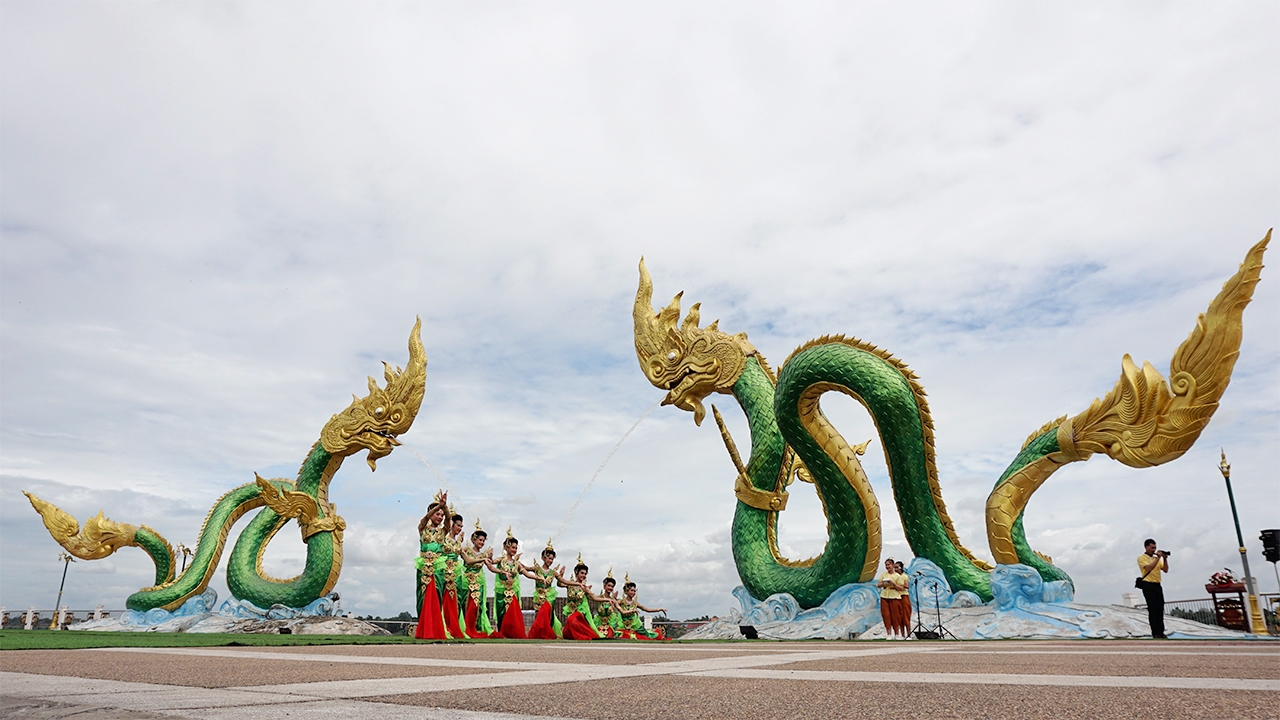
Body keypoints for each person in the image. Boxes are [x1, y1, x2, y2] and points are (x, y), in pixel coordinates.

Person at [521, 539, 579, 639]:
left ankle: (547, 633)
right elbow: (524, 568)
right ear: (543, 558)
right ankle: (538, 634)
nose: (551, 561)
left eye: (552, 559)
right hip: (539, 596)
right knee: (538, 615)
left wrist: (575, 583)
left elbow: (563, 581)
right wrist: (516, 563)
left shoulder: (553, 572)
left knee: (547, 614)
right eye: (549, 558)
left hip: (549, 597)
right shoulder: (537, 569)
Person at [413, 491, 452, 640]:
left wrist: (444, 507)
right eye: (438, 514)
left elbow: (449, 520)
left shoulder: (443, 531)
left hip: (438, 567)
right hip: (424, 566)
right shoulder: (423, 528)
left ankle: (435, 629)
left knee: (437, 596)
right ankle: (423, 629)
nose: (440, 517)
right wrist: (438, 507)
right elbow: (424, 519)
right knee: (422, 597)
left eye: (441, 515)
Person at [460, 519, 496, 638]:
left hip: (479, 582)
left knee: (476, 606)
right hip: (466, 581)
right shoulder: (466, 549)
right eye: (480, 540)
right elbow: (468, 561)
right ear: (473, 539)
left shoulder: (483, 555)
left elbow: (491, 567)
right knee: (464, 605)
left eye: (483, 541)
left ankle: (473, 628)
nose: (482, 542)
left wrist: (503, 571)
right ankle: (463, 628)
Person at [491, 528, 528, 639]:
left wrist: (538, 576)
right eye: (513, 547)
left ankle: (512, 633)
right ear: (506, 547)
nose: (515, 550)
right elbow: (491, 562)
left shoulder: (516, 563)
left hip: (512, 590)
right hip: (501, 589)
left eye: (516, 548)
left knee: (512, 613)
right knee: (501, 611)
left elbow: (526, 572)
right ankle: (502, 632)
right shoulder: (501, 559)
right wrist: (489, 557)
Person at [562, 555, 610, 640]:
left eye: (585, 574)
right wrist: (560, 575)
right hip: (571, 611)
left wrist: (608, 599)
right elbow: (560, 584)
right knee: (568, 633)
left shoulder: (584, 588)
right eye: (582, 573)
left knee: (571, 620)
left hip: (580, 613)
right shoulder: (570, 584)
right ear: (576, 572)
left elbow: (594, 598)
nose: (584, 575)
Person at [616, 574, 667, 640]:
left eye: (635, 591)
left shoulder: (635, 603)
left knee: (646, 636)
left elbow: (647, 609)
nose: (633, 592)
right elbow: (622, 612)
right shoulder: (620, 602)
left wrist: (658, 609)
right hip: (623, 624)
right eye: (632, 590)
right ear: (626, 591)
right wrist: (632, 611)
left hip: (635, 625)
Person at [1137, 538, 1170, 639]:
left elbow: (1165, 570)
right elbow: (1149, 567)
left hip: (1157, 584)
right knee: (1152, 609)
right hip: (1148, 585)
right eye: (1152, 548)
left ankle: (1161, 631)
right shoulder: (1141, 558)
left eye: (1155, 548)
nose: (1154, 550)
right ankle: (1155, 632)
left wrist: (1164, 559)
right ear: (1146, 547)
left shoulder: (1157, 558)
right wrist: (1157, 558)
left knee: (1160, 608)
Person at [876, 558, 903, 639]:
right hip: (885, 595)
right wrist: (884, 583)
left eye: (889, 565)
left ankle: (897, 633)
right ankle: (889, 633)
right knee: (886, 615)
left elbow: (901, 588)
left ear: (892, 565)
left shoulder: (898, 576)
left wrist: (893, 584)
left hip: (894, 595)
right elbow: (879, 584)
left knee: (896, 615)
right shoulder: (883, 574)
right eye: (886, 565)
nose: (887, 566)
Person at [594, 569, 621, 638]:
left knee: (608, 635)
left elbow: (620, 610)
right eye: (609, 585)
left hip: (610, 624)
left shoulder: (613, 600)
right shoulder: (598, 598)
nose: (610, 588)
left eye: (612, 586)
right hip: (598, 623)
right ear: (604, 586)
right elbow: (590, 597)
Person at [894, 560, 912, 640]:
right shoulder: (893, 576)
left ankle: (909, 635)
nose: (895, 569)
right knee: (899, 616)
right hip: (896, 596)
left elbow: (906, 586)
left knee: (906, 615)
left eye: (896, 567)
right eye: (894, 567)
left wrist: (898, 586)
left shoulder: (904, 576)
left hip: (904, 596)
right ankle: (902, 635)